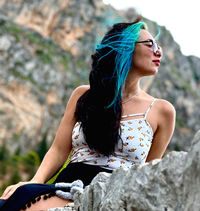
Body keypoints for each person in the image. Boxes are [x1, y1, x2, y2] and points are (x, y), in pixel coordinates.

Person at [0, 18, 176, 210]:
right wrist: (33, 182)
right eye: (150, 44)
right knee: (15, 199)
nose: (158, 51)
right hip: (66, 189)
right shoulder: (83, 95)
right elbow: (59, 150)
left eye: (158, 45)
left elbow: (148, 175)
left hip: (114, 197)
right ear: (125, 48)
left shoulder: (162, 111)